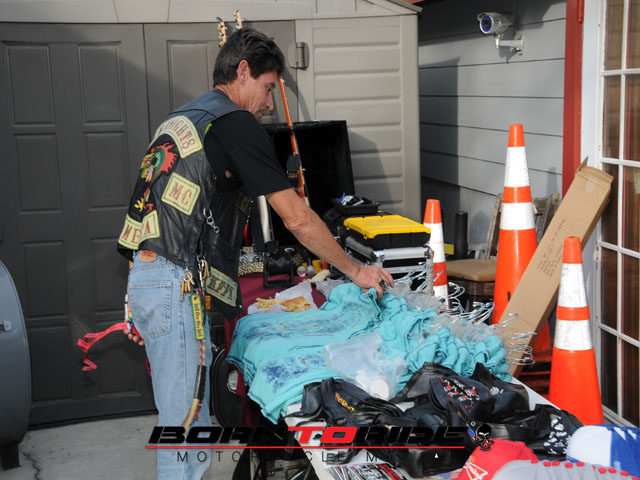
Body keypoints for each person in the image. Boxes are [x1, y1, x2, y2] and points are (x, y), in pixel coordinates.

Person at [117, 27, 393, 479]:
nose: (269, 104)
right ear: (242, 72)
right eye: (267, 88)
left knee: (187, 420)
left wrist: (138, 297)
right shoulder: (234, 122)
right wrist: (355, 270)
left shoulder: (182, 118)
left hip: (151, 279)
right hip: (172, 284)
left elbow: (145, 211)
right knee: (185, 429)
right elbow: (297, 218)